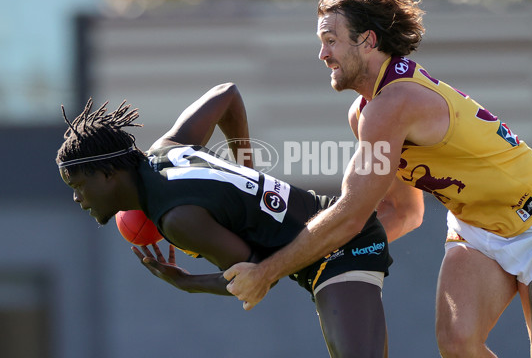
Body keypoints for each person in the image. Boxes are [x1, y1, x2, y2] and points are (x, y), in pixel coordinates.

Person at [223, 0, 532, 358]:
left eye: (331, 41)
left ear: (368, 41)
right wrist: (321, 258)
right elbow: (403, 212)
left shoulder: (394, 105)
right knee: (458, 344)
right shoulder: (364, 113)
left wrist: (269, 270)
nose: (322, 55)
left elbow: (350, 216)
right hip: (475, 227)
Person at [56, 82, 393, 358]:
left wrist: (185, 282)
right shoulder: (168, 149)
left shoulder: (177, 218)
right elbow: (227, 94)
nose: (76, 197)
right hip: (329, 241)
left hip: (340, 249)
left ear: (107, 175)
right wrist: (245, 166)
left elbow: (257, 277)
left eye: (78, 185)